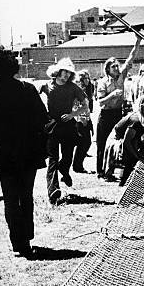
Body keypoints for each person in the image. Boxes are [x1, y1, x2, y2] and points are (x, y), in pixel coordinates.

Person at [0, 47, 49, 257]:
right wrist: (41, 147)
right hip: (28, 152)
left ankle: (17, 242)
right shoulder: (28, 90)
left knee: (11, 199)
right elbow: (43, 121)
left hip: (3, 155)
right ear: (13, 66)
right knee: (25, 196)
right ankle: (27, 237)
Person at [44, 58, 89, 203]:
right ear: (58, 71)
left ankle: (64, 170)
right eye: (64, 72)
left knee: (68, 155)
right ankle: (53, 190)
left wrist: (72, 115)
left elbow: (85, 105)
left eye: (69, 73)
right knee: (53, 158)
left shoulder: (73, 87)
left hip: (68, 126)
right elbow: (36, 100)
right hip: (52, 125)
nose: (66, 76)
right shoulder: (46, 85)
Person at [96, 35, 141, 179]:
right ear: (107, 69)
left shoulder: (121, 76)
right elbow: (101, 102)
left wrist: (137, 42)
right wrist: (113, 95)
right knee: (102, 144)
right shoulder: (102, 82)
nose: (116, 68)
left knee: (116, 142)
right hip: (105, 115)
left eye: (117, 65)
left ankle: (112, 169)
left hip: (117, 113)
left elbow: (130, 58)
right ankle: (100, 172)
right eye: (113, 66)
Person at [120, 93, 144, 186]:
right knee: (132, 157)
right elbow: (126, 141)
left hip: (134, 141)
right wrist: (137, 155)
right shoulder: (136, 120)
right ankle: (125, 181)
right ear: (142, 105)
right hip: (120, 141)